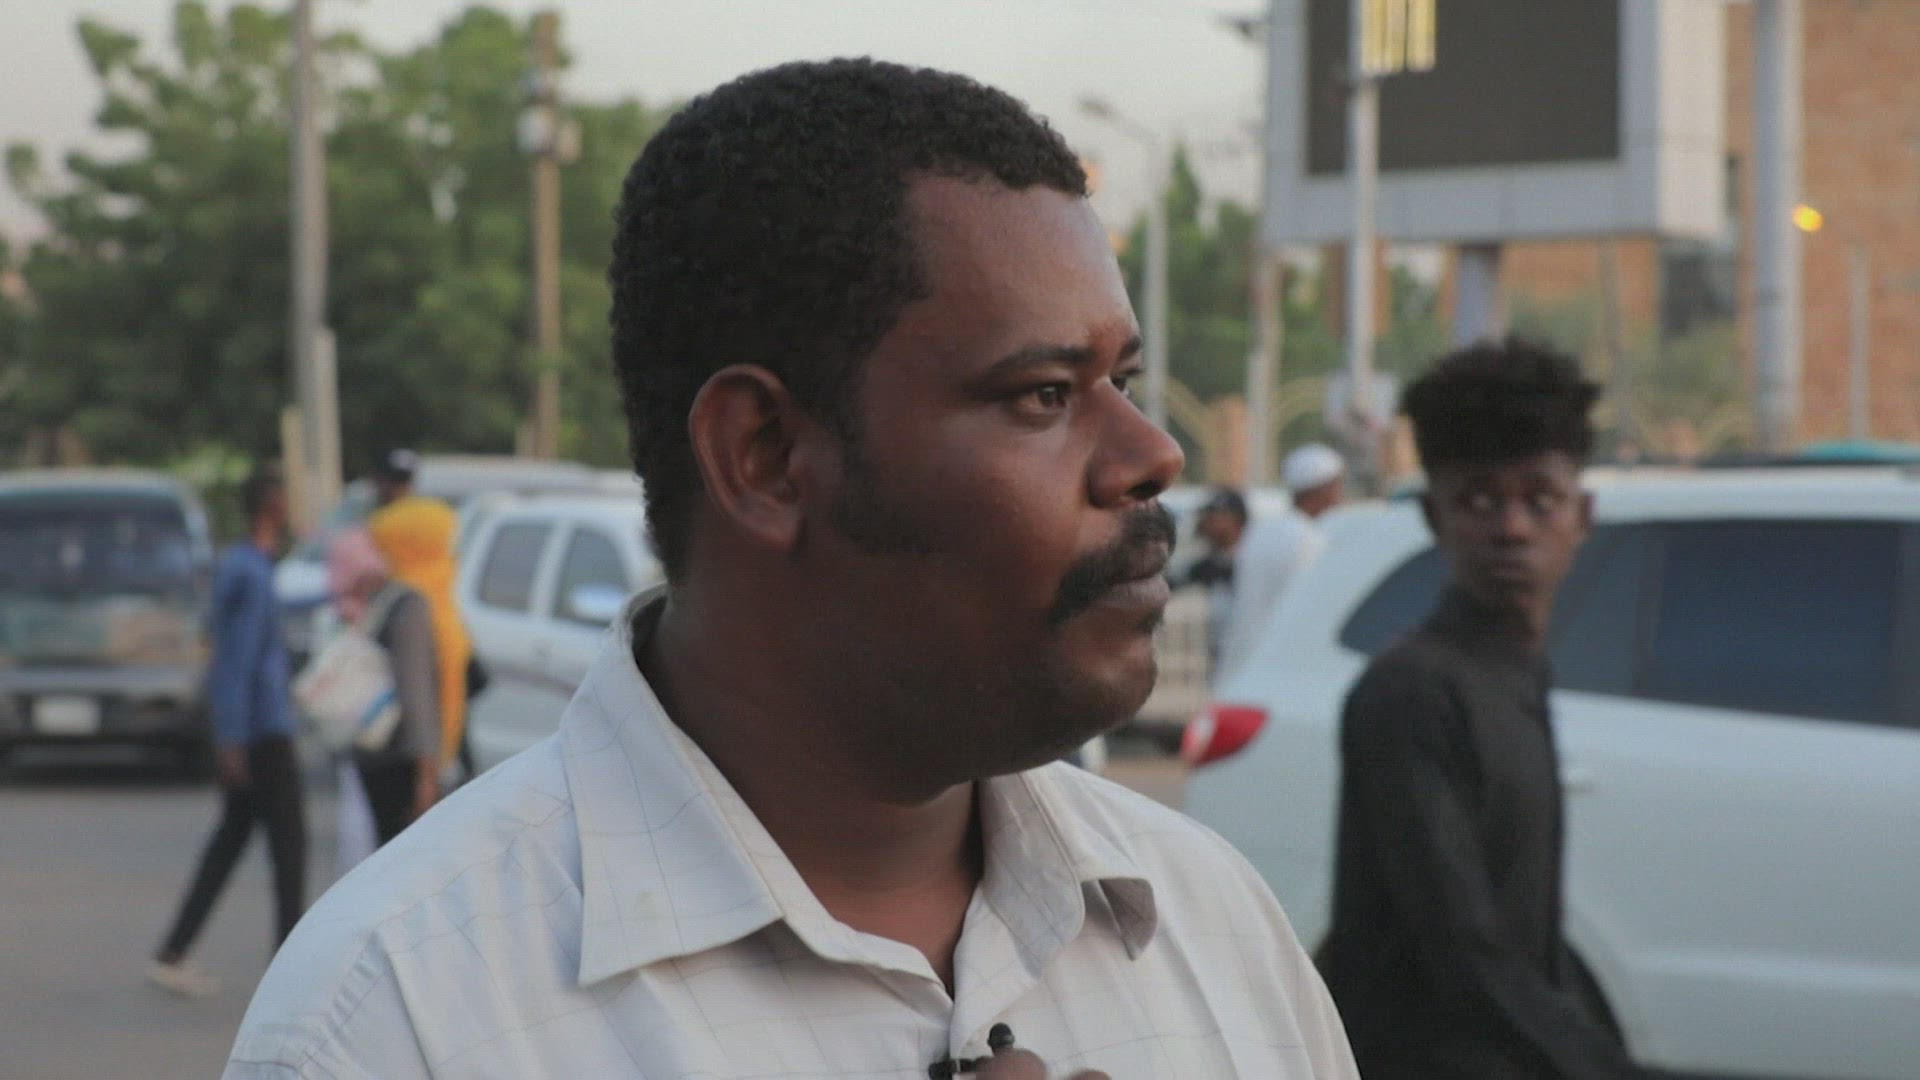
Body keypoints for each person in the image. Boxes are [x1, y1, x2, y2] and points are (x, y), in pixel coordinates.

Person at [227, 59, 1355, 1079]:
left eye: (1125, 382)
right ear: (764, 457)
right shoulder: (395, 1017)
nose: (1152, 454)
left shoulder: (1214, 927)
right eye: (1045, 395)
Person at [1317, 340, 1660, 1078]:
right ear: (1433, 516)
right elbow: (1466, 954)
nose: (1512, 527)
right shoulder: (1411, 692)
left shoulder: (1517, 673)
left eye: (1540, 499)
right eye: (1479, 500)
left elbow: (1528, 944)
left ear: (1582, 515)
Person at [148, 467, 305, 998]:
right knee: (289, 852)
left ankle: (174, 950)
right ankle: (289, 973)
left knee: (232, 841)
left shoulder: (251, 565)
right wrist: (232, 738)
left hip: (259, 728)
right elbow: (235, 662)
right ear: (272, 504)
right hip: (262, 734)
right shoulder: (249, 573)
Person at [326, 528, 441, 845]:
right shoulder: (407, 604)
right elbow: (416, 692)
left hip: (368, 750)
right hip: (402, 756)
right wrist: (427, 772)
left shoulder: (356, 608)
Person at [365, 450, 472, 780]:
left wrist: (426, 770)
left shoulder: (406, 601)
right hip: (450, 639)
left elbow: (415, 694)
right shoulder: (440, 518)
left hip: (406, 750)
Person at [1215, 443, 1345, 679]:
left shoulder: (1263, 530)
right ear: (1324, 489)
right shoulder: (1309, 539)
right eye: (1337, 486)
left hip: (1244, 660)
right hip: (1285, 666)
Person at [1171, 486, 1248, 673]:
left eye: (1212, 516)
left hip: (1251, 655)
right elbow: (1171, 581)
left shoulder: (1253, 559)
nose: (1204, 522)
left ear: (1232, 519)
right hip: (1222, 656)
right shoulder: (1210, 564)